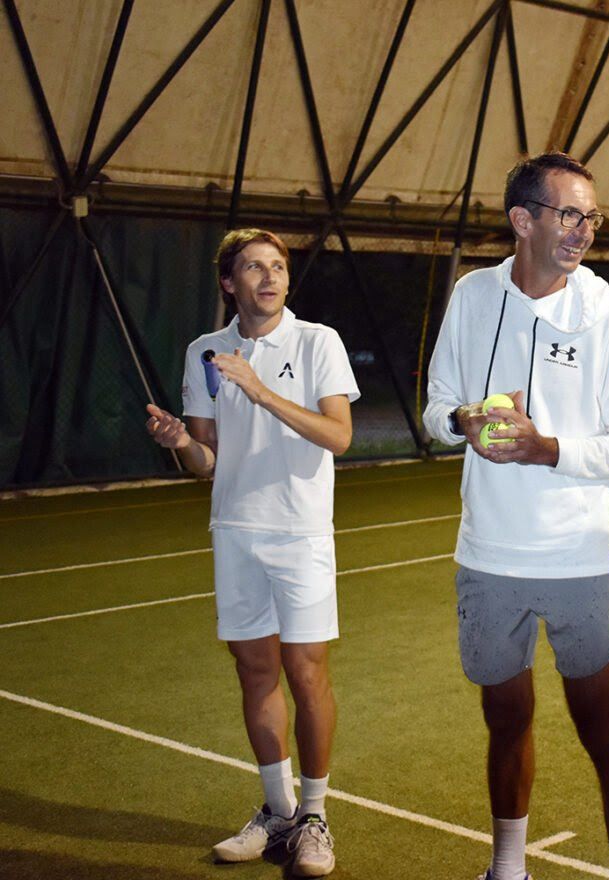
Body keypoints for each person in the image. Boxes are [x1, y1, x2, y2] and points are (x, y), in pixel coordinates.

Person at [423, 151, 609, 880]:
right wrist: (466, 422)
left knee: (603, 730)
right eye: (569, 214)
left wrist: (546, 448)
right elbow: (434, 410)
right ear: (523, 220)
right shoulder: (471, 296)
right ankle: (509, 868)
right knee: (506, 722)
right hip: (488, 559)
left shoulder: (606, 311)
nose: (584, 230)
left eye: (592, 217)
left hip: (576, 559)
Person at [144, 228, 359, 877]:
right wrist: (179, 440)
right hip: (235, 532)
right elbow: (206, 461)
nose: (267, 277)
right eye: (252, 267)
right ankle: (276, 811)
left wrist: (261, 390)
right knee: (256, 674)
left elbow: (339, 436)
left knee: (306, 672)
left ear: (286, 280)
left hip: (300, 535)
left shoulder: (317, 341)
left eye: (276, 266)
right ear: (228, 282)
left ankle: (315, 816)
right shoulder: (205, 352)